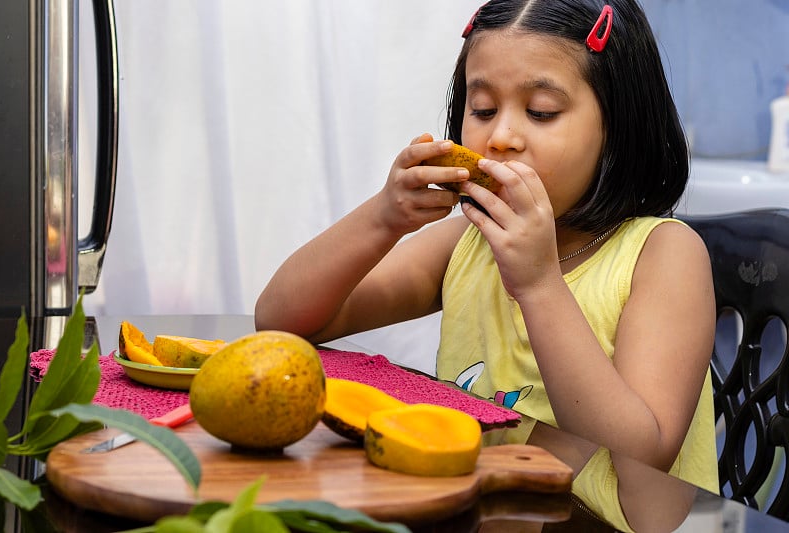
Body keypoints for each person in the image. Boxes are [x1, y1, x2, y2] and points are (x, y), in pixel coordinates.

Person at [256, 1, 717, 530]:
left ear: (617, 127)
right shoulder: (467, 243)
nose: (501, 137)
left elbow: (642, 450)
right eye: (482, 109)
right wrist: (382, 219)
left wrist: (540, 284)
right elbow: (284, 321)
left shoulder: (664, 255)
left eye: (541, 111)